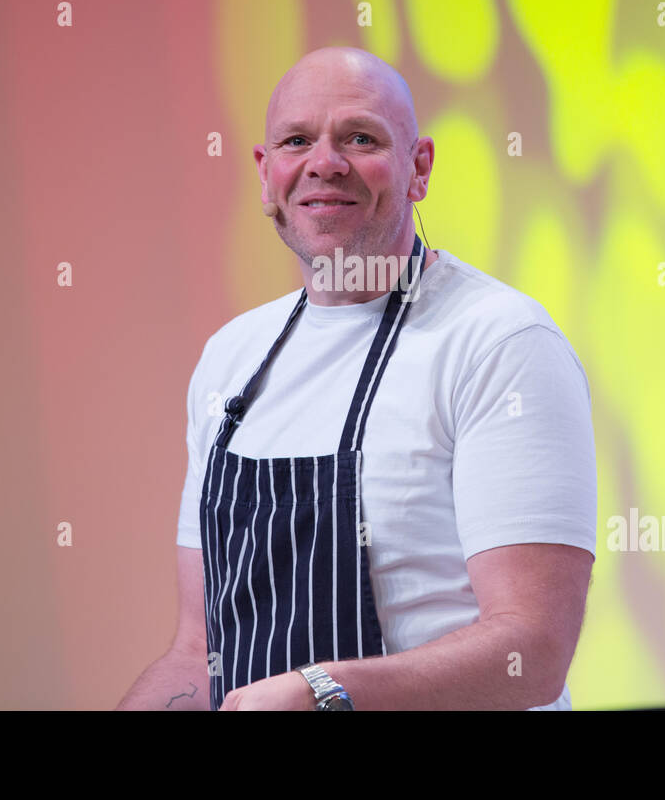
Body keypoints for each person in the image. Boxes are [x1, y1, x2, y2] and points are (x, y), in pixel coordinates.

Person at [117, 47, 597, 711]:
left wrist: (318, 693)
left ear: (418, 167)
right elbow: (198, 655)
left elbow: (531, 654)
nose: (325, 163)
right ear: (266, 173)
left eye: (360, 138)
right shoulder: (232, 359)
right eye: (297, 141)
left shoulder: (500, 343)